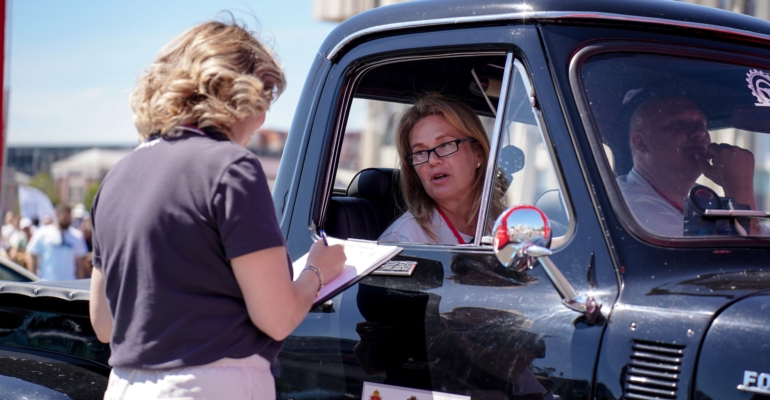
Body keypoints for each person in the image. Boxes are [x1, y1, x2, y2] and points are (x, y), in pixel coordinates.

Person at [88, 18, 346, 399]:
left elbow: (104, 324)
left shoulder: (117, 177)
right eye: (264, 98)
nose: (261, 119)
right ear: (238, 93)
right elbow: (276, 318)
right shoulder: (230, 167)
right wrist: (316, 272)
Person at [618, 95, 764, 236]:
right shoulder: (633, 207)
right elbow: (750, 256)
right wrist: (739, 188)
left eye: (702, 124)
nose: (700, 132)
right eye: (679, 124)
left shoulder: (700, 203)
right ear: (640, 142)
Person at [378, 93, 503, 244]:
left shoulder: (508, 226)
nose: (432, 160)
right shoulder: (404, 238)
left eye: (444, 145)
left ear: (478, 153)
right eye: (420, 152)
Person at [25, 204, 88, 280]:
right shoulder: (42, 233)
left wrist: (79, 284)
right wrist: (33, 280)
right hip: (47, 284)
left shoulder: (77, 236)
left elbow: (80, 263)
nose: (67, 220)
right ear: (57, 214)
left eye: (69, 218)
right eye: (65, 218)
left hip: (70, 285)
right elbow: (32, 255)